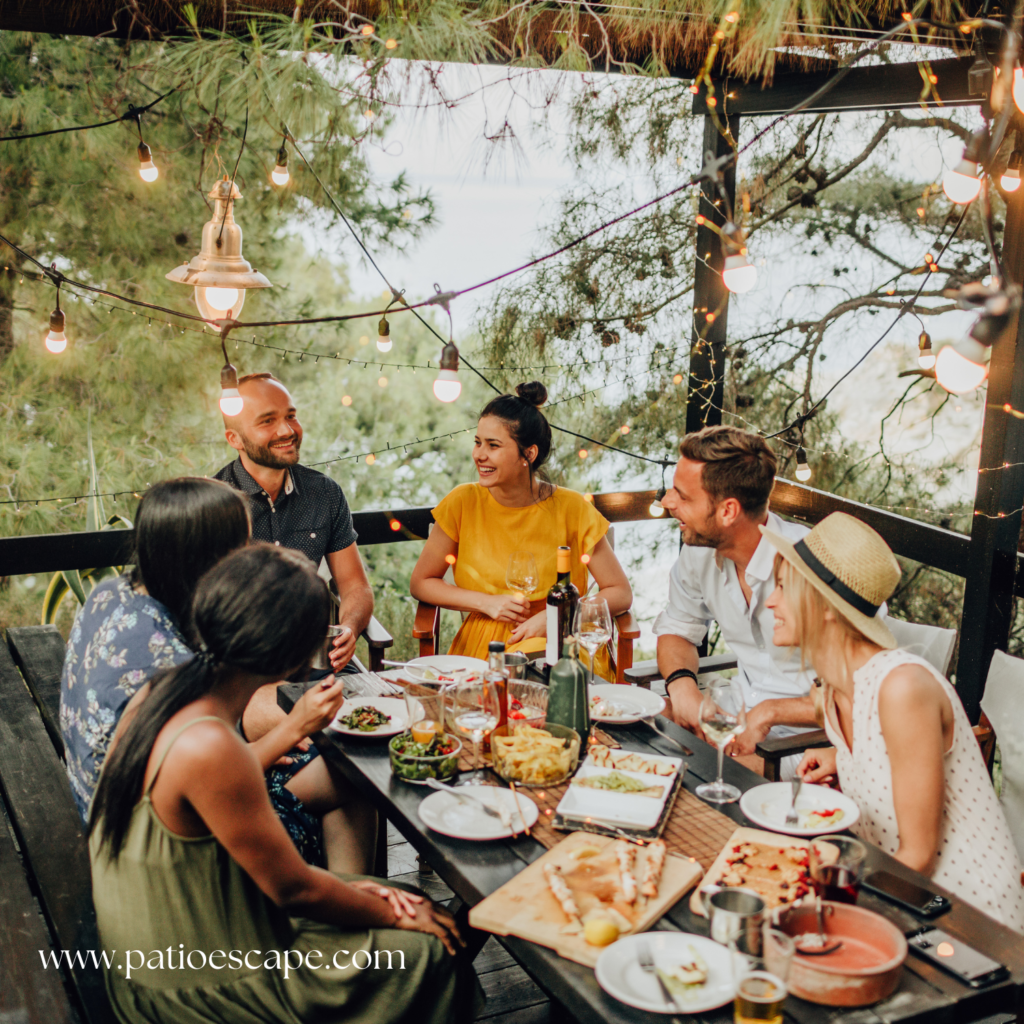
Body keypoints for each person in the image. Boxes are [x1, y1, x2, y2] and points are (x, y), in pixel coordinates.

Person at [89, 544, 482, 1023]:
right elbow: (295, 892)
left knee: (401, 898)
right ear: (288, 656)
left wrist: (375, 899)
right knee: (432, 948)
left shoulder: (161, 690)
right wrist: (395, 914)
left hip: (171, 929)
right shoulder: (210, 746)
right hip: (199, 981)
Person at [61, 478, 375, 873]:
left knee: (333, 767)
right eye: (241, 546)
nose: (247, 557)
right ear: (206, 557)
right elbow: (193, 779)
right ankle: (342, 914)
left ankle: (350, 906)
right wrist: (288, 731)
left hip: (106, 800)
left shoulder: (112, 593)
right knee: (351, 779)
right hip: (154, 844)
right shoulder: (168, 662)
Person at [764, 512, 1024, 932]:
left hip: (968, 916)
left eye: (781, 587)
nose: (770, 601)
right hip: (898, 891)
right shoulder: (833, 689)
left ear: (828, 607)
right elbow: (882, 749)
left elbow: (919, 854)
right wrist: (841, 758)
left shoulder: (902, 687)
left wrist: (818, 902)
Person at [409, 382, 632, 673]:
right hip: (487, 645)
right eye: (478, 442)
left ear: (528, 454)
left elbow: (619, 592)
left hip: (559, 640)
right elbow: (421, 583)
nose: (479, 455)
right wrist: (486, 603)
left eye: (493, 445)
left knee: (538, 682)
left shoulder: (572, 508)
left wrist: (556, 618)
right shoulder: (462, 502)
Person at [214, 371, 374, 747]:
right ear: (233, 439)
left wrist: (349, 628)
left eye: (291, 415)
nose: (287, 429)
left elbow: (356, 587)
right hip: (249, 680)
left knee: (382, 728)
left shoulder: (324, 494)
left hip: (321, 667)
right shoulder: (216, 506)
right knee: (344, 744)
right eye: (268, 420)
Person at [653, 426, 818, 772]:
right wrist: (684, 690)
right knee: (646, 729)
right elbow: (678, 630)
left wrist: (772, 712)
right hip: (736, 722)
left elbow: (864, 693)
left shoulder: (815, 567)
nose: (668, 502)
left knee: (685, 775)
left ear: (728, 511)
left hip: (811, 745)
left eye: (682, 496)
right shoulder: (699, 553)